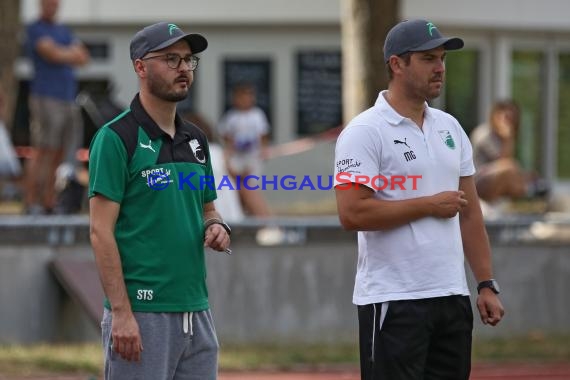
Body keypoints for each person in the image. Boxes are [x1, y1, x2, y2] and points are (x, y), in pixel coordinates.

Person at [334, 19, 504, 379]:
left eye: (442, 58)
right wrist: (428, 206)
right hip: (394, 300)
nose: (440, 68)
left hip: (452, 298)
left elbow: (470, 214)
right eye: (429, 58)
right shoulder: (364, 131)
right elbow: (352, 213)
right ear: (397, 64)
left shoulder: (450, 127)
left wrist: (486, 283)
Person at [89, 22, 231, 379]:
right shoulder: (116, 138)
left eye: (188, 59)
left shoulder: (196, 139)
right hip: (141, 313)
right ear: (140, 66)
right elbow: (100, 232)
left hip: (197, 312)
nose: (183, 68)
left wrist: (216, 227)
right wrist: (121, 313)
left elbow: (208, 210)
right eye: (171, 59)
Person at [24, 0, 90, 214]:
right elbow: (49, 53)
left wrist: (63, 53)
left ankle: (48, 202)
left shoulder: (63, 30)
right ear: (41, 4)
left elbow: (83, 57)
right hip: (45, 97)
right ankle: (31, 201)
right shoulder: (35, 28)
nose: (52, 6)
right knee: (43, 150)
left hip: (67, 98)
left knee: (60, 152)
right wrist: (68, 53)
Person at [470, 100, 548, 203]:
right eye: (506, 118)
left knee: (521, 173)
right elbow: (503, 162)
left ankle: (528, 191)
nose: (509, 123)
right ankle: (528, 192)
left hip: (492, 177)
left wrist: (523, 175)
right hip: (475, 183)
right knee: (509, 167)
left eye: (512, 119)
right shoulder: (483, 134)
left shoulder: (500, 137)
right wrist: (508, 138)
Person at [218, 83, 272, 217]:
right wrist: (230, 148)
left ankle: (255, 213)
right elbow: (225, 134)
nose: (245, 100)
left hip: (253, 157)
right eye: (241, 97)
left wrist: (263, 150)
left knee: (250, 186)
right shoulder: (231, 116)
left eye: (248, 97)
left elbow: (263, 135)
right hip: (237, 158)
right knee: (236, 187)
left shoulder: (257, 115)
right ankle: (241, 213)